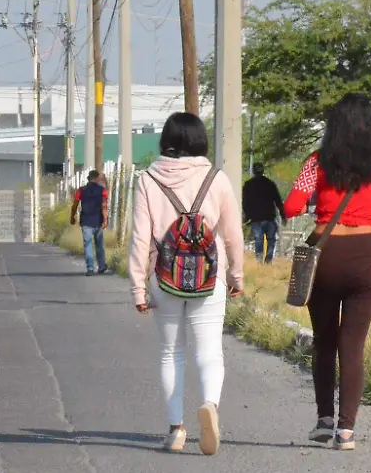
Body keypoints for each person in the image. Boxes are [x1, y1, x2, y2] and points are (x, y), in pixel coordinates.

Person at [282, 93, 371, 452]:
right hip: (365, 257)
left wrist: (320, 200)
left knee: (324, 340)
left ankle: (324, 419)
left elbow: (291, 205)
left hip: (326, 255)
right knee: (353, 346)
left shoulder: (317, 163)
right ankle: (346, 432)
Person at [128, 112, 245, 455]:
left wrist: (137, 287)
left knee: (171, 353)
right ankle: (210, 404)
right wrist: (236, 276)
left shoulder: (148, 179)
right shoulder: (216, 178)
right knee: (209, 350)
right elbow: (233, 235)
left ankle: (176, 429)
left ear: (165, 141)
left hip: (164, 278)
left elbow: (139, 239)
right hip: (210, 278)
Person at [242, 162, 285, 263]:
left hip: (255, 218)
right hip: (269, 216)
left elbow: (245, 203)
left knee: (258, 239)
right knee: (271, 239)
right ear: (263, 171)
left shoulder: (248, 185)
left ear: (253, 171)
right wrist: (283, 216)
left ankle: (259, 260)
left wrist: (247, 216)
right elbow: (278, 200)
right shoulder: (270, 184)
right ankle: (268, 260)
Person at [69, 169, 109, 275]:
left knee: (88, 245)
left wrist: (72, 216)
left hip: (86, 220)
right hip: (98, 220)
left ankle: (90, 268)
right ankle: (101, 266)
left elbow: (75, 205)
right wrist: (105, 219)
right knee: (99, 245)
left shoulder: (81, 190)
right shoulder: (102, 190)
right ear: (97, 178)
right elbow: (104, 206)